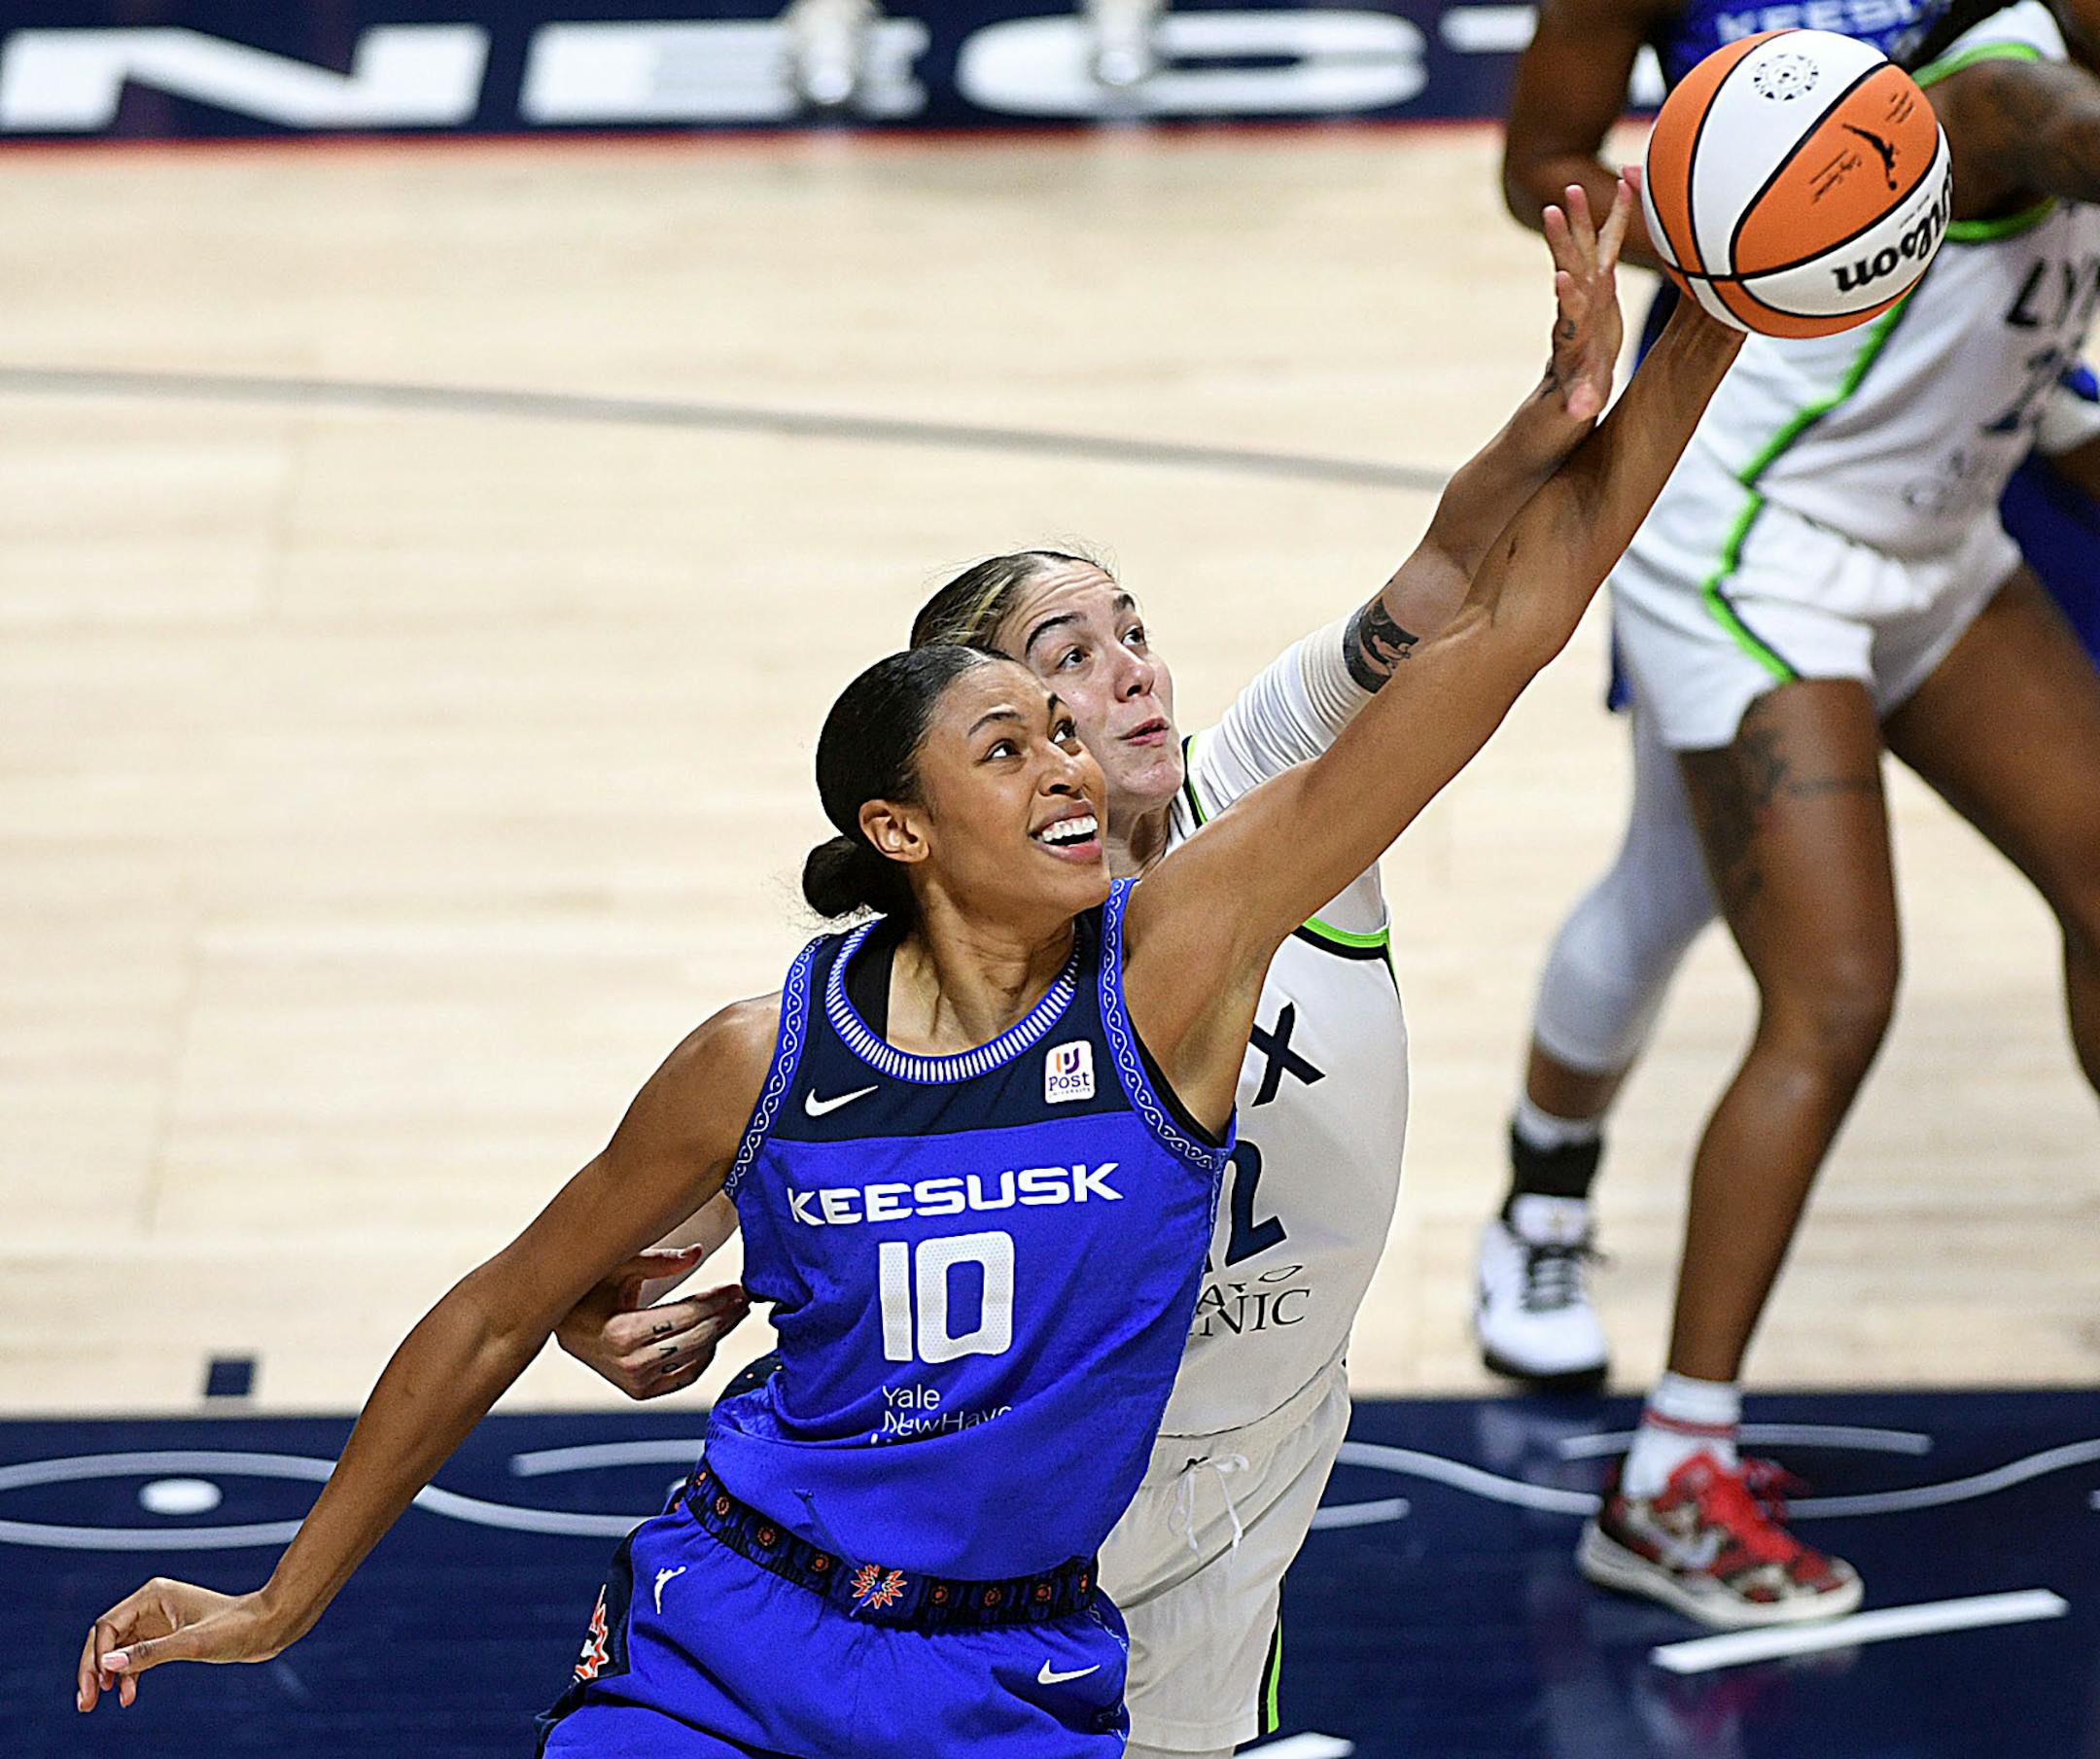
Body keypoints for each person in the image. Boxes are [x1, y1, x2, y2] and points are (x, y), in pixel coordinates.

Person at [73, 189, 1745, 1750]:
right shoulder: (765, 1052)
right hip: (729, 1629)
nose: (1078, 754)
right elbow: (509, 1302)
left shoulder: (1186, 957)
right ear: (904, 828)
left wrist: (1721, 311)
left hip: (1017, 1657)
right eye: (1017, 736)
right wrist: (282, 1593)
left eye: (1079, 717)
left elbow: (1502, 621)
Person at [549, 186, 1628, 1759]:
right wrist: (609, 1308)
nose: (1128, 671)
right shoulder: (932, 978)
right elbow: (664, 1215)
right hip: (1039, 1510)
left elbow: (1452, 581)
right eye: (1066, 658)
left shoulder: (1263, 784)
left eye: (1135, 631)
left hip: (1268, 1449)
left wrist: (1559, 409)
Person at [1489, 0, 2100, 1630]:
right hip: (1754, 548)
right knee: (1833, 993)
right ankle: (1670, 1477)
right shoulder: (2006, 99)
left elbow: (2018, 349)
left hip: (1930, 535)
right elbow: (2058, 139)